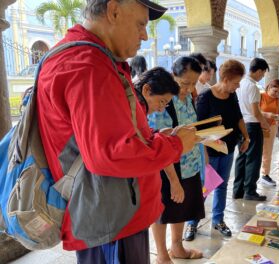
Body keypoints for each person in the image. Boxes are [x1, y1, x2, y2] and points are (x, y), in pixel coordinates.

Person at [35, 1, 199, 263]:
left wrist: (161, 139)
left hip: (116, 214)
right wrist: (175, 146)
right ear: (113, 11)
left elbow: (115, 136)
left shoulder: (94, 58)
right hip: (112, 221)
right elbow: (110, 154)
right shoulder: (87, 65)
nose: (145, 35)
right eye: (141, 24)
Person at [148, 57, 206, 262]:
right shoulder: (163, 101)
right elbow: (159, 143)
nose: (189, 88)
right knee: (162, 210)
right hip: (168, 168)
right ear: (174, 77)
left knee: (182, 208)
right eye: (184, 83)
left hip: (189, 164)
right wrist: (173, 181)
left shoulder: (189, 98)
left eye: (193, 83)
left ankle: (177, 247)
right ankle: (162, 254)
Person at [185, 59, 249, 241]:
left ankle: (218, 220)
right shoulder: (206, 97)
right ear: (226, 79)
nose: (237, 87)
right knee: (204, 187)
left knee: (222, 185)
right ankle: (192, 222)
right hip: (209, 150)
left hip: (228, 148)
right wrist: (203, 153)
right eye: (236, 82)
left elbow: (238, 117)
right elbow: (197, 128)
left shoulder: (231, 96)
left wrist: (247, 137)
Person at [234, 58, 270, 201]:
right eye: (262, 74)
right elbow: (255, 112)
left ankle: (238, 190)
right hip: (252, 125)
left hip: (241, 123)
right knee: (253, 159)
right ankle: (250, 191)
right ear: (259, 71)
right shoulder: (253, 86)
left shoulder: (240, 83)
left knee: (242, 157)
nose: (262, 77)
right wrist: (265, 123)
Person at [259, 79, 279, 186]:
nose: (277, 94)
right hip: (258, 126)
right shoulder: (261, 96)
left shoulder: (278, 100)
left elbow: (278, 114)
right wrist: (267, 115)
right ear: (269, 88)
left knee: (267, 152)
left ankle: (265, 174)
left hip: (271, 127)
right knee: (255, 152)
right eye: (275, 91)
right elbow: (255, 111)